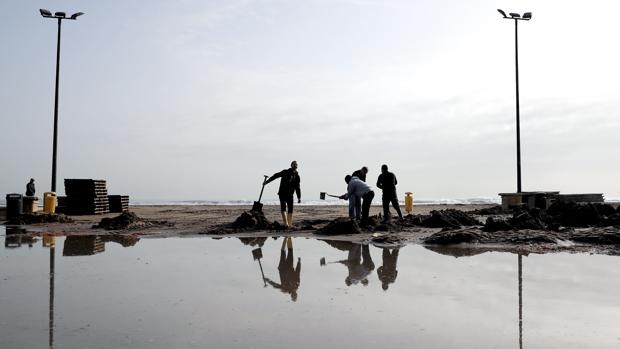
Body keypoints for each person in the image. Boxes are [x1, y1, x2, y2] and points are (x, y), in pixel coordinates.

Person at [264, 161, 301, 228]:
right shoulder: (285, 172)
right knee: (283, 207)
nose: (295, 166)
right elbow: (275, 176)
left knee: (290, 209)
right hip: (282, 193)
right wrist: (267, 182)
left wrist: (299, 197)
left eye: (296, 165)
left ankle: (289, 224)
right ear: (291, 165)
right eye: (294, 164)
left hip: (290, 194)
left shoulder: (297, 176)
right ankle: (286, 224)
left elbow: (297, 187)